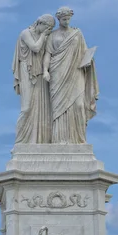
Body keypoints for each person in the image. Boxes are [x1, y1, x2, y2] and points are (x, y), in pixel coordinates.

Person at [43, 7, 99, 144]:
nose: (67, 21)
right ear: (59, 20)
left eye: (68, 19)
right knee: (58, 109)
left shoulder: (77, 34)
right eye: (64, 19)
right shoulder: (52, 36)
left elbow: (85, 51)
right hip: (57, 72)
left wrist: (89, 60)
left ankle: (78, 140)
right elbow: (48, 55)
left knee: (79, 105)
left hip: (75, 71)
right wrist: (45, 70)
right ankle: (59, 139)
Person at [12, 14, 55, 144]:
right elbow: (35, 48)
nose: (49, 31)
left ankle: (38, 140)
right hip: (27, 70)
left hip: (40, 72)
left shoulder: (46, 37)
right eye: (48, 28)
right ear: (40, 24)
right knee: (26, 108)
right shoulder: (25, 33)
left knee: (42, 107)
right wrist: (43, 36)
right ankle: (20, 141)